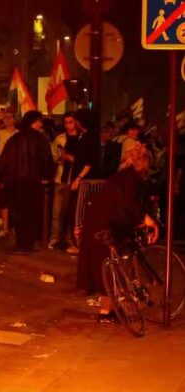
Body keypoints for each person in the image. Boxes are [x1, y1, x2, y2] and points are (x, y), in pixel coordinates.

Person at [77, 144, 159, 317]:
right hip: (105, 225)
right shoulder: (133, 178)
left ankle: (110, 310)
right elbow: (130, 203)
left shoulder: (123, 175)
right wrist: (145, 219)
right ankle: (106, 312)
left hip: (99, 221)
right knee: (108, 264)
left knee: (108, 264)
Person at [0, 110, 55, 252]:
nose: (41, 124)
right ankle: (29, 243)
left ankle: (21, 243)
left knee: (18, 212)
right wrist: (47, 176)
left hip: (16, 182)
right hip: (33, 181)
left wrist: (3, 178)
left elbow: (5, 161)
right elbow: (47, 160)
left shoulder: (14, 139)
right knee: (31, 212)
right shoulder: (41, 139)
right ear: (34, 122)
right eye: (39, 121)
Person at [64, 109, 99, 254]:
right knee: (74, 210)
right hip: (79, 178)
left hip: (84, 181)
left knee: (79, 211)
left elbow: (89, 162)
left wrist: (78, 179)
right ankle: (78, 243)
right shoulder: (83, 136)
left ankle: (80, 244)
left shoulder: (90, 138)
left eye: (77, 120)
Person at [49, 112, 81, 250]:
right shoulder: (60, 139)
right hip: (60, 177)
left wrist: (70, 158)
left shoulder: (81, 138)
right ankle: (55, 238)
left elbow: (83, 160)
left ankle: (70, 238)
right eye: (66, 122)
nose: (68, 125)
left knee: (71, 212)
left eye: (71, 122)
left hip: (75, 179)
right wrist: (59, 159)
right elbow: (53, 156)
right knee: (57, 212)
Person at [0, 111, 18, 237]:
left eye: (10, 117)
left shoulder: (18, 134)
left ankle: (15, 227)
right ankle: (6, 227)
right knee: (4, 200)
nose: (7, 119)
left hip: (15, 167)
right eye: (6, 117)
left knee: (15, 199)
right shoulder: (1, 133)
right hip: (3, 167)